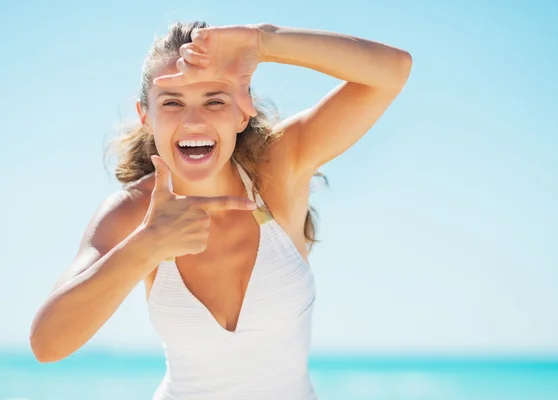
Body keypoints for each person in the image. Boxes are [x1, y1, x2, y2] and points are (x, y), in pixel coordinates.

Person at [29, 21, 412, 399]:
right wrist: (146, 246)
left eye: (215, 100)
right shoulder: (133, 213)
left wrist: (263, 42)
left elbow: (392, 72)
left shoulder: (279, 171)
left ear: (242, 111)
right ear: (146, 115)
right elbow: (48, 344)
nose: (194, 120)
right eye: (172, 102)